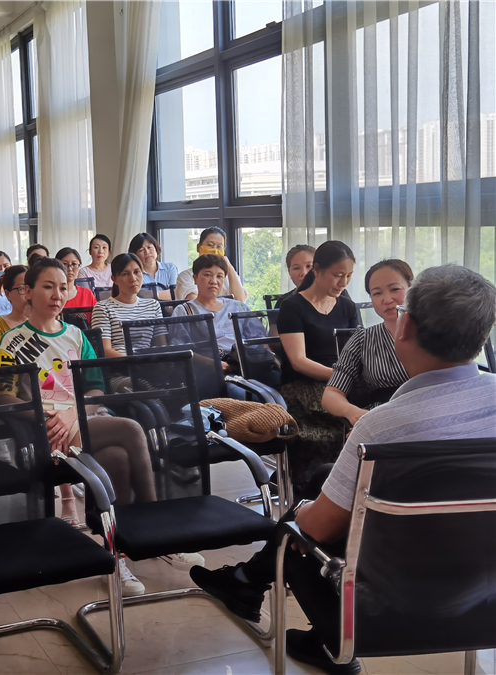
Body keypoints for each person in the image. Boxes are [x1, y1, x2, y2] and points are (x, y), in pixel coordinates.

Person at [189, 265, 496, 675]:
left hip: (388, 612)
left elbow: (317, 529)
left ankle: (326, 637)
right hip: (484, 597)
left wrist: (302, 513)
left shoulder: (382, 428)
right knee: (325, 477)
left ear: (405, 326)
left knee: (294, 533)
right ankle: (246, 583)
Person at [0, 258, 162, 596]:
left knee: (117, 458)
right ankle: (155, 529)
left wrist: (73, 413)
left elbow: (96, 388)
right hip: (50, 430)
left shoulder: (76, 335)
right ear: (28, 291)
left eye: (62, 287)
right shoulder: (12, 342)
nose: (57, 294)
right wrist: (46, 417)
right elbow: (3, 397)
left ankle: (115, 554)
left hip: (82, 420)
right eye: (47, 286)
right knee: (131, 430)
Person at [277, 241, 360, 485]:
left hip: (341, 382)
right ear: (317, 270)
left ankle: (363, 487)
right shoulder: (292, 306)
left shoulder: (347, 307)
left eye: (348, 276)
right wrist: (340, 376)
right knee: (335, 422)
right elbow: (298, 361)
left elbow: (358, 351)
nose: (343, 283)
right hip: (303, 385)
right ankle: (316, 487)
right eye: (337, 275)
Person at [321, 260, 413, 425]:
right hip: (382, 419)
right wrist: (356, 414)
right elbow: (331, 394)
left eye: (395, 289)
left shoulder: (433, 332)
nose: (387, 299)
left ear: (413, 289)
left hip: (433, 413)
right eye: (377, 293)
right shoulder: (363, 339)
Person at [170, 255, 265, 372]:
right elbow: (180, 349)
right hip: (210, 370)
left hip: (247, 363)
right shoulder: (184, 311)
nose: (214, 281)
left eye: (219, 276)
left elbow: (259, 338)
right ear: (195, 278)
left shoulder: (238, 306)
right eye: (207, 275)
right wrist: (216, 365)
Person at [91, 254, 166, 360]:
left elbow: (161, 346)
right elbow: (105, 351)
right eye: (125, 274)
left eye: (137, 272)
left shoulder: (153, 305)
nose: (133, 279)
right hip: (119, 366)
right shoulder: (102, 308)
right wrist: (136, 363)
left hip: (149, 365)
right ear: (114, 279)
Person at [175, 227, 248, 303]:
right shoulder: (186, 276)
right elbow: (196, 305)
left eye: (219, 247)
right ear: (199, 247)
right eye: (210, 245)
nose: (215, 250)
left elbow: (240, 303)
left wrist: (229, 266)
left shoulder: (228, 275)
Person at [0, 265, 28, 367]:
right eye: (22, 288)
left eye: (31, 288)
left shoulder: (45, 322)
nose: (28, 294)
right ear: (8, 294)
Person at [128, 232, 177, 301]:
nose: (147, 252)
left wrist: (152, 294)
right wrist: (166, 294)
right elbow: (136, 298)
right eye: (141, 250)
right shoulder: (133, 274)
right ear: (135, 255)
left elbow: (177, 294)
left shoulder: (170, 268)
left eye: (149, 247)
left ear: (156, 248)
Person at [56, 248, 97, 321]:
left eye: (74, 264)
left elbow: (97, 319)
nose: (70, 269)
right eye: (65, 264)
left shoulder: (87, 293)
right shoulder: (52, 294)